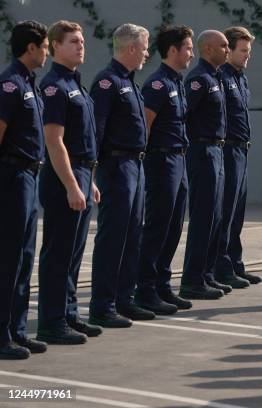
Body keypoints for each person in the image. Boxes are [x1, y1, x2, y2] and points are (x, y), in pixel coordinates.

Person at [36, 20, 102, 344]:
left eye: (82, 42)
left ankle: (69, 313)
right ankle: (51, 321)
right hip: (65, 176)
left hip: (81, 173)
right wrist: (72, 185)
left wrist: (88, 181)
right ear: (56, 46)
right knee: (59, 253)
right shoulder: (54, 87)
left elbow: (82, 142)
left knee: (74, 253)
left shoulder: (76, 84)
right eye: (73, 42)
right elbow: (54, 141)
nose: (81, 46)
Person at [89, 23, 152, 327]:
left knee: (132, 235)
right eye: (144, 47)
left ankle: (125, 299)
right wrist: (91, 172)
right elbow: (96, 131)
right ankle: (103, 305)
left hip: (135, 166)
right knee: (113, 236)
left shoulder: (130, 81)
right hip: (116, 167)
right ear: (130, 48)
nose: (147, 53)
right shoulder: (107, 82)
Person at [135, 25, 195, 314]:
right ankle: (145, 289)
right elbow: (144, 126)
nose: (191, 53)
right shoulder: (157, 84)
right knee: (158, 226)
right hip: (161, 161)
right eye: (188, 47)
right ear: (173, 50)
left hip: (179, 160)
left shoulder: (176, 82)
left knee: (173, 227)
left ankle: (162, 285)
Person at [0, 20, 48, 360]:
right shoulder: (10, 84)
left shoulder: (29, 82)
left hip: (29, 177)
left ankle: (17, 330)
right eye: (45, 46)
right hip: (12, 176)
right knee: (9, 259)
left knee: (25, 257)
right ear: (30, 48)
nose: (46, 51)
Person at [180, 30, 231, 300]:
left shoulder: (216, 77)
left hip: (217, 150)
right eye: (223, 45)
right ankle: (192, 280)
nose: (227, 49)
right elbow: (184, 114)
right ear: (208, 49)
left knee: (216, 217)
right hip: (202, 150)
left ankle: (206, 274)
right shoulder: (199, 79)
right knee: (203, 217)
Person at [215, 26, 262, 288]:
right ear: (228, 50)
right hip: (228, 149)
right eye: (243, 50)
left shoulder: (240, 78)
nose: (247, 56)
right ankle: (221, 267)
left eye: (249, 50)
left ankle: (235, 263)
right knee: (226, 211)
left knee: (238, 212)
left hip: (242, 150)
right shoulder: (220, 77)